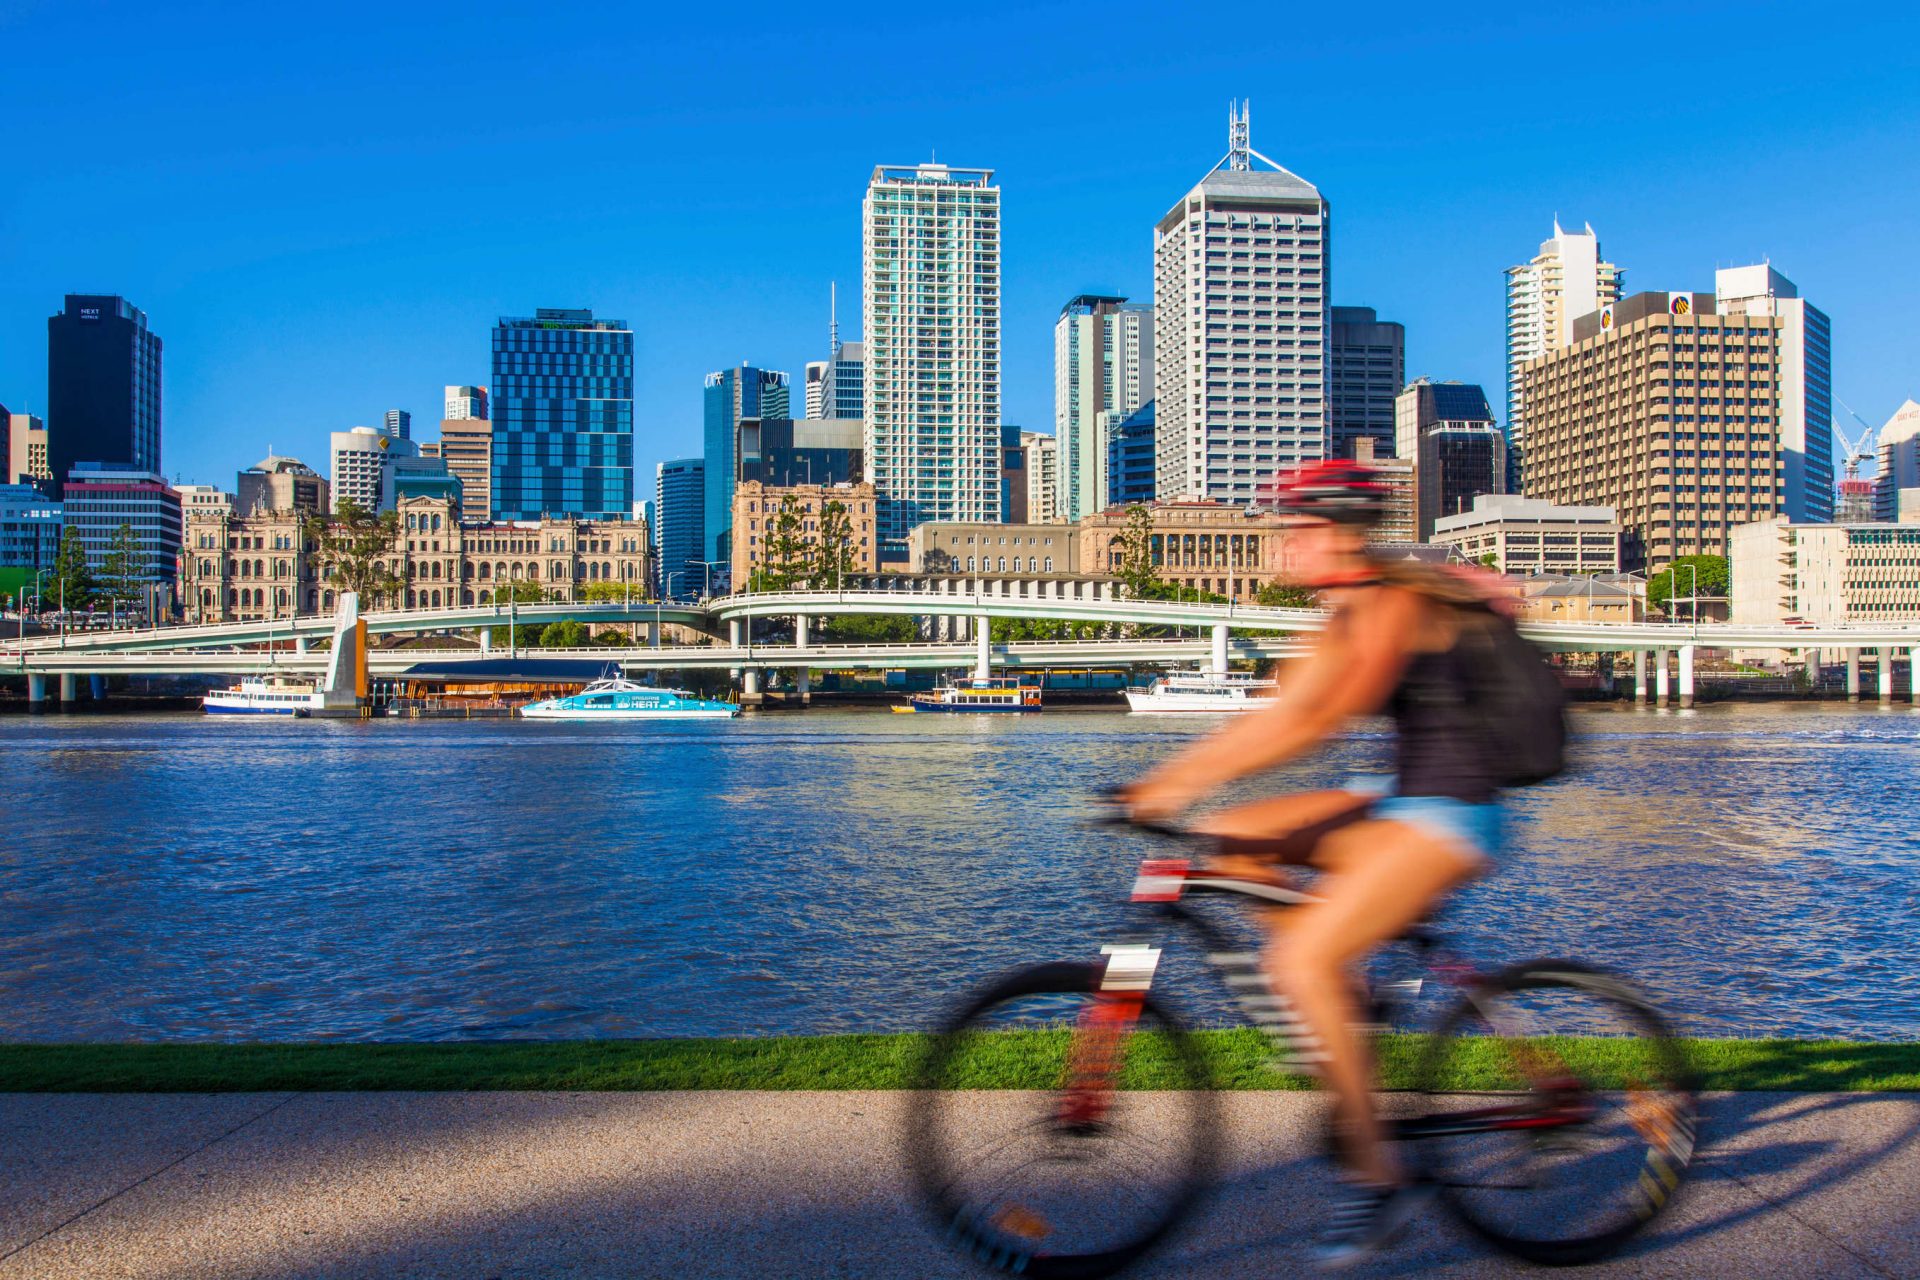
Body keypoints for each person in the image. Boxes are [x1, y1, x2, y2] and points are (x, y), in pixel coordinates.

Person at [1120, 460, 1514, 1267]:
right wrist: (1166, 785)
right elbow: (1279, 712)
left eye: (1295, 531)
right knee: (1234, 837)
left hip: (1453, 812)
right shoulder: (1339, 615)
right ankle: (1348, 1000)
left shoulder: (1393, 603)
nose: (1283, 547)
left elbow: (1320, 719)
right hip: (1396, 803)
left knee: (1295, 956)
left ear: (1335, 533)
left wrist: (1177, 781)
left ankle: (1378, 1183)